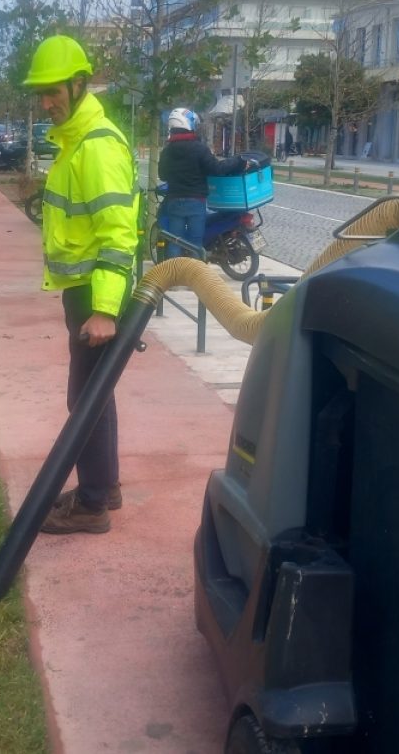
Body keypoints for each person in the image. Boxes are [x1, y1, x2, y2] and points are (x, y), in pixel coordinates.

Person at [23, 34, 140, 535]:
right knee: (95, 395)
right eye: (41, 93)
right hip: (85, 289)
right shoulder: (77, 141)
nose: (46, 102)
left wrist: (106, 309)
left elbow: (119, 233)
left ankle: (92, 506)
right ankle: (103, 487)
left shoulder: (96, 145)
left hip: (98, 291)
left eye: (53, 91)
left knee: (85, 399)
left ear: (78, 84)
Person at [158, 107, 244, 258]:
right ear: (188, 124)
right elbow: (216, 169)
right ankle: (195, 271)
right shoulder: (199, 149)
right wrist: (238, 161)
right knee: (195, 244)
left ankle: (174, 271)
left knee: (174, 242)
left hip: (174, 201)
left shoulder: (167, 151)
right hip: (195, 201)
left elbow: (162, 175)